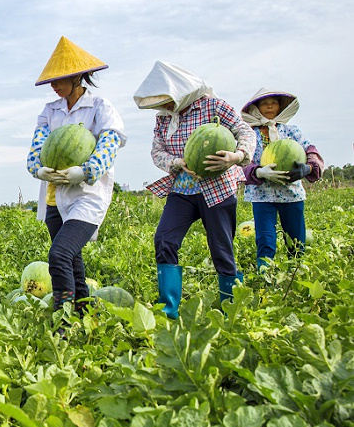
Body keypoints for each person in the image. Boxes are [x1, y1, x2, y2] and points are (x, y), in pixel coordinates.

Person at [134, 61, 255, 319]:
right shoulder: (163, 119)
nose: (164, 106)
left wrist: (236, 156)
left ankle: (230, 309)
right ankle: (169, 311)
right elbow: (157, 152)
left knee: (221, 249)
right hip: (182, 190)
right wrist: (177, 162)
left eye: (166, 99)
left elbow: (244, 130)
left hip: (218, 188)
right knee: (164, 239)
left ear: (179, 91)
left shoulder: (213, 105)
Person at [25, 36, 126, 314]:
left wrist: (85, 171)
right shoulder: (49, 111)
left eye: (59, 80)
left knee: (59, 254)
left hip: (87, 196)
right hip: (55, 196)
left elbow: (110, 141)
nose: (54, 86)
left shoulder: (100, 107)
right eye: (51, 81)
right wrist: (39, 169)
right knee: (73, 262)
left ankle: (63, 320)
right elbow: (36, 149)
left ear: (78, 76)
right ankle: (83, 313)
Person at [240, 88, 323, 270]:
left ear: (280, 107)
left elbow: (310, 150)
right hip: (263, 196)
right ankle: (265, 277)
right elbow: (241, 161)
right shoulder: (249, 134)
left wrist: (308, 167)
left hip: (291, 194)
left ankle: (296, 273)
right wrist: (259, 172)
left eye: (274, 102)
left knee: (296, 239)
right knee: (266, 240)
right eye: (264, 102)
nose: (269, 105)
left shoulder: (292, 131)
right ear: (256, 108)